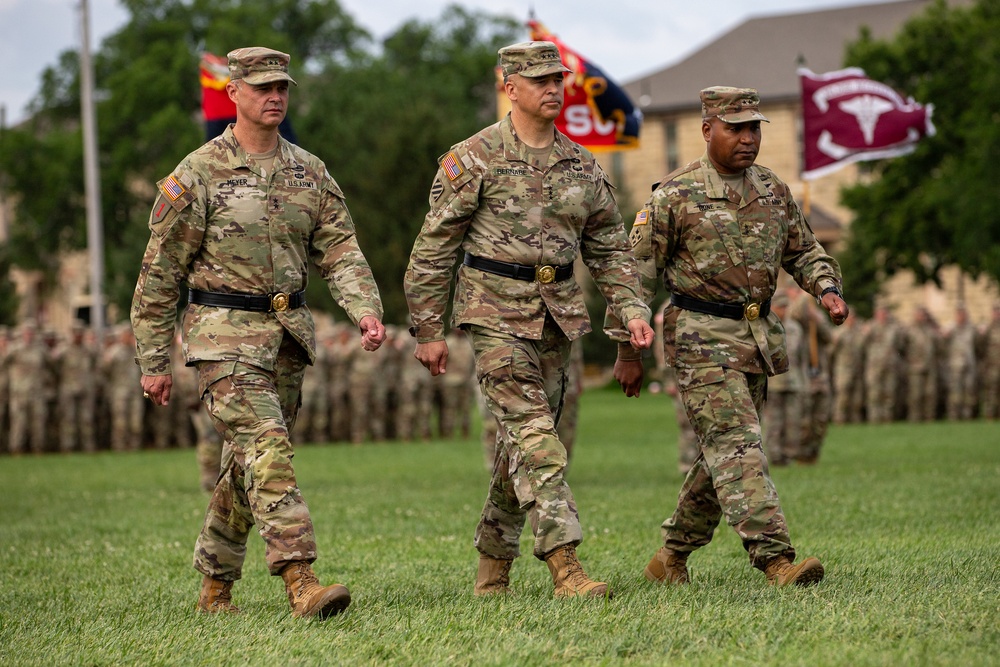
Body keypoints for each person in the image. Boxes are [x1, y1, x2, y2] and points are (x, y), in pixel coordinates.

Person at [131, 47, 386, 619]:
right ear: (234, 93)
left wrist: (364, 310)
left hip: (287, 337)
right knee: (268, 446)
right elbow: (160, 274)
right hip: (222, 337)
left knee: (247, 462)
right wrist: (152, 360)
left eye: (283, 88)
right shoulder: (197, 173)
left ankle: (215, 586)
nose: (275, 97)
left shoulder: (310, 171)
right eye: (263, 87)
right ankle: (300, 578)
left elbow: (341, 251)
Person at [404, 41, 653, 600]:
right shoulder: (473, 157)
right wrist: (428, 327)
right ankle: (567, 566)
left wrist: (632, 310)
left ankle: (493, 564)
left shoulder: (581, 164)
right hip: (493, 312)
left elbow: (610, 251)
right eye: (538, 80)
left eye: (556, 79)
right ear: (508, 86)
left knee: (524, 444)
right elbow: (434, 249)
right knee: (538, 440)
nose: (552, 88)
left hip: (557, 319)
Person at [613, 86, 849, 588]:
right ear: (707, 130)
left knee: (723, 453)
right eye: (735, 128)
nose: (747, 138)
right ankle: (776, 560)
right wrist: (625, 350)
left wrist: (826, 288)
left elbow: (804, 251)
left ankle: (671, 555)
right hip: (699, 338)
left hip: (758, 339)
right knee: (738, 445)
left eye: (754, 128)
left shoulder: (772, 189)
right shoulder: (674, 196)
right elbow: (634, 279)